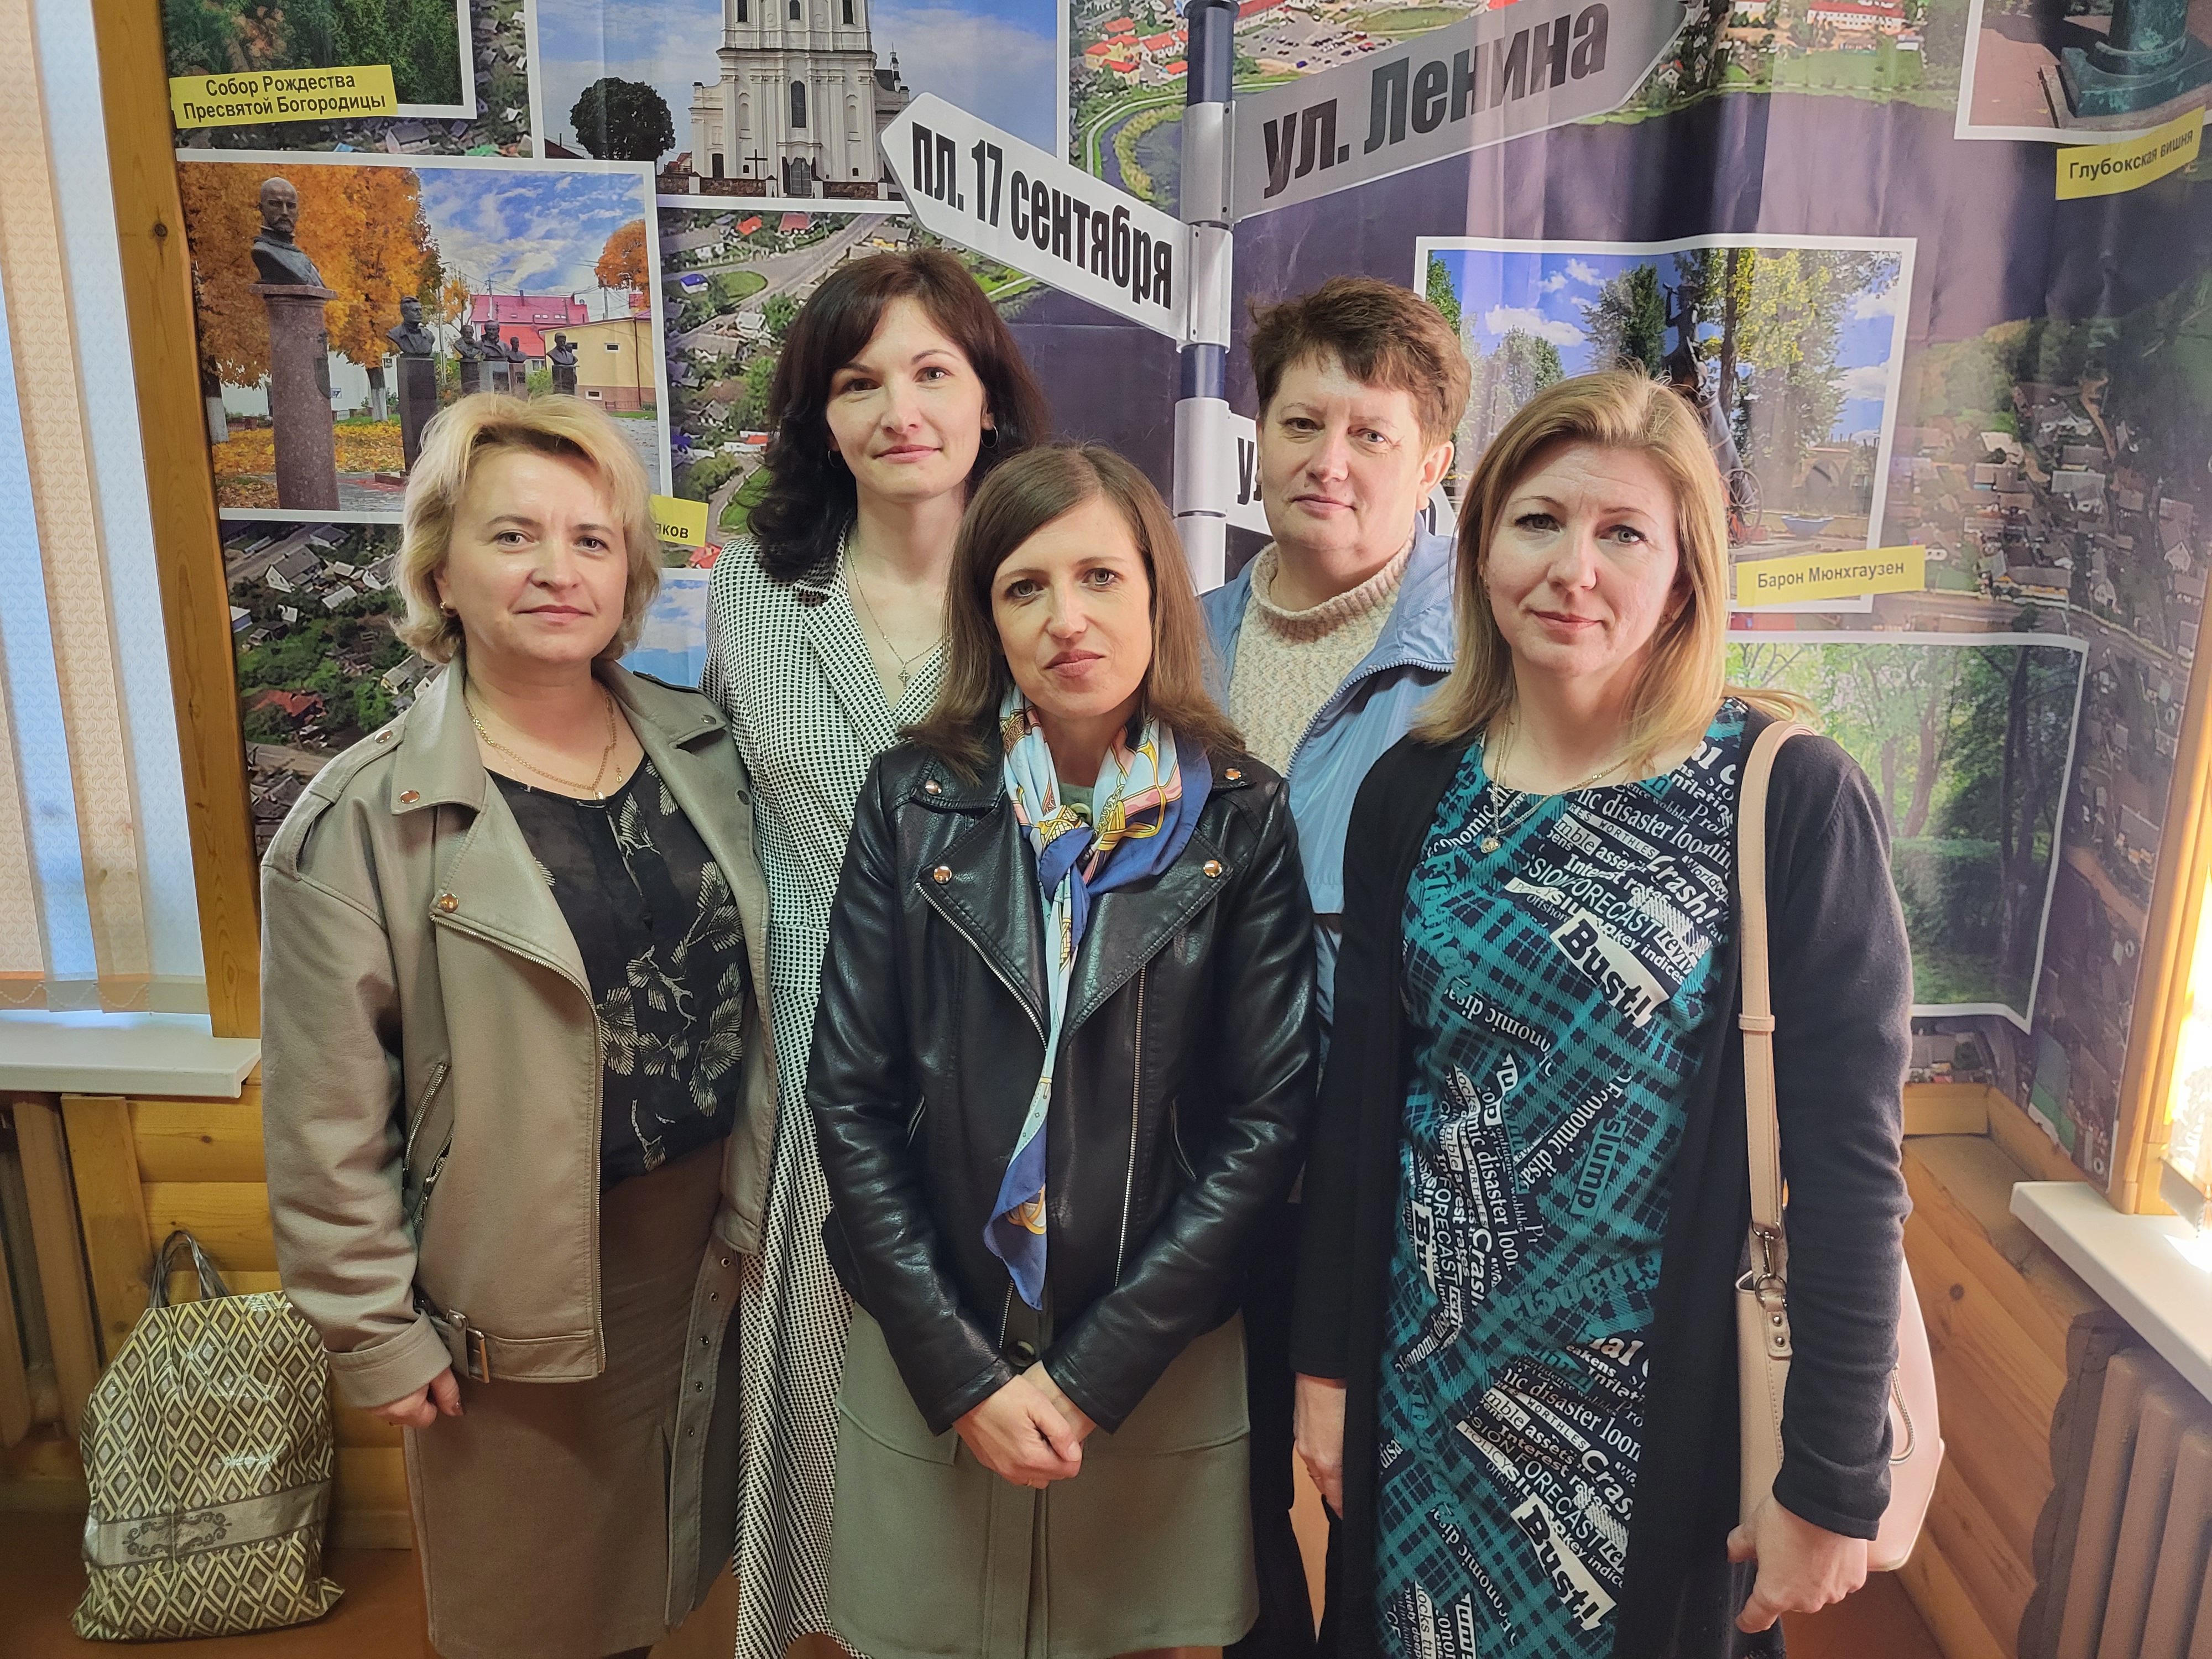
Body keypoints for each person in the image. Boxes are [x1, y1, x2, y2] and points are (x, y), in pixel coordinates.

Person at [1292, 372, 1912, 1658]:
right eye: (1538, 522)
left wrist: (1829, 1478)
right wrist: (1325, 1369)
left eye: (1623, 532)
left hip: (1654, 1428)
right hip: (1425, 1401)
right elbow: (1358, 1112)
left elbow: (1850, 1168)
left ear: (1681, 575)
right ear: (1480, 550)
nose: (1572, 569)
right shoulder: (1412, 789)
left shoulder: (1783, 798)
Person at [259, 393, 776, 1659]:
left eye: (592, 540)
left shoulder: (705, 753)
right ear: (441, 571)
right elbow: (324, 1120)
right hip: (512, 1289)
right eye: (513, 536)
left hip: (709, 1260)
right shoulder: (364, 820)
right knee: (537, 1619)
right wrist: (373, 1330)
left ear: (629, 574)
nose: (558, 569)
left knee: (682, 1584)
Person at [808, 442, 1322, 1659]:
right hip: (939, 1332)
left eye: (1100, 577)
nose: (1066, 619)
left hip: (1152, 1352)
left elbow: (1265, 1124)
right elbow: (852, 1097)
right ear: (986, 617)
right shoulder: (911, 800)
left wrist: (1093, 1372)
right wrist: (962, 1373)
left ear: (1158, 593)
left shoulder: (1242, 816)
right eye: (1024, 587)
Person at [700, 248, 1052, 1659]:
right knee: (832, 1442)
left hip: (1011, 1075)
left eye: (931, 372)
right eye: (858, 383)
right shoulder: (751, 590)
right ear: (819, 417)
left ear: (987, 398)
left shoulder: (1043, 581)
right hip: (815, 1074)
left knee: (996, 1430)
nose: (899, 411)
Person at [1201, 276, 1469, 1656]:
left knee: (1384, 1509)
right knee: (1233, 1516)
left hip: (1391, 1176)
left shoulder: (1482, 659)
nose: (1330, 461)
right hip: (1206, 1164)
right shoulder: (1176, 635)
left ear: (1433, 465)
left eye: (1372, 434)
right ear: (1258, 434)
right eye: (1302, 423)